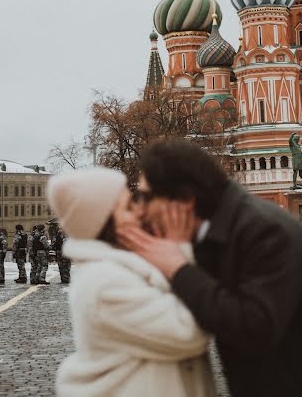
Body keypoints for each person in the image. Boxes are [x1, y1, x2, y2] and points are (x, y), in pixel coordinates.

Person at [118, 139, 302, 397]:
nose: (141, 210)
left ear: (184, 200)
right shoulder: (219, 229)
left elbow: (255, 327)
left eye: (146, 197)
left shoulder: (266, 231)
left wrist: (179, 268)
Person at [47, 167, 214, 397]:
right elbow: (188, 332)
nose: (139, 211)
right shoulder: (105, 282)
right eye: (128, 206)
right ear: (102, 223)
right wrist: (179, 257)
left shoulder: (123, 266)